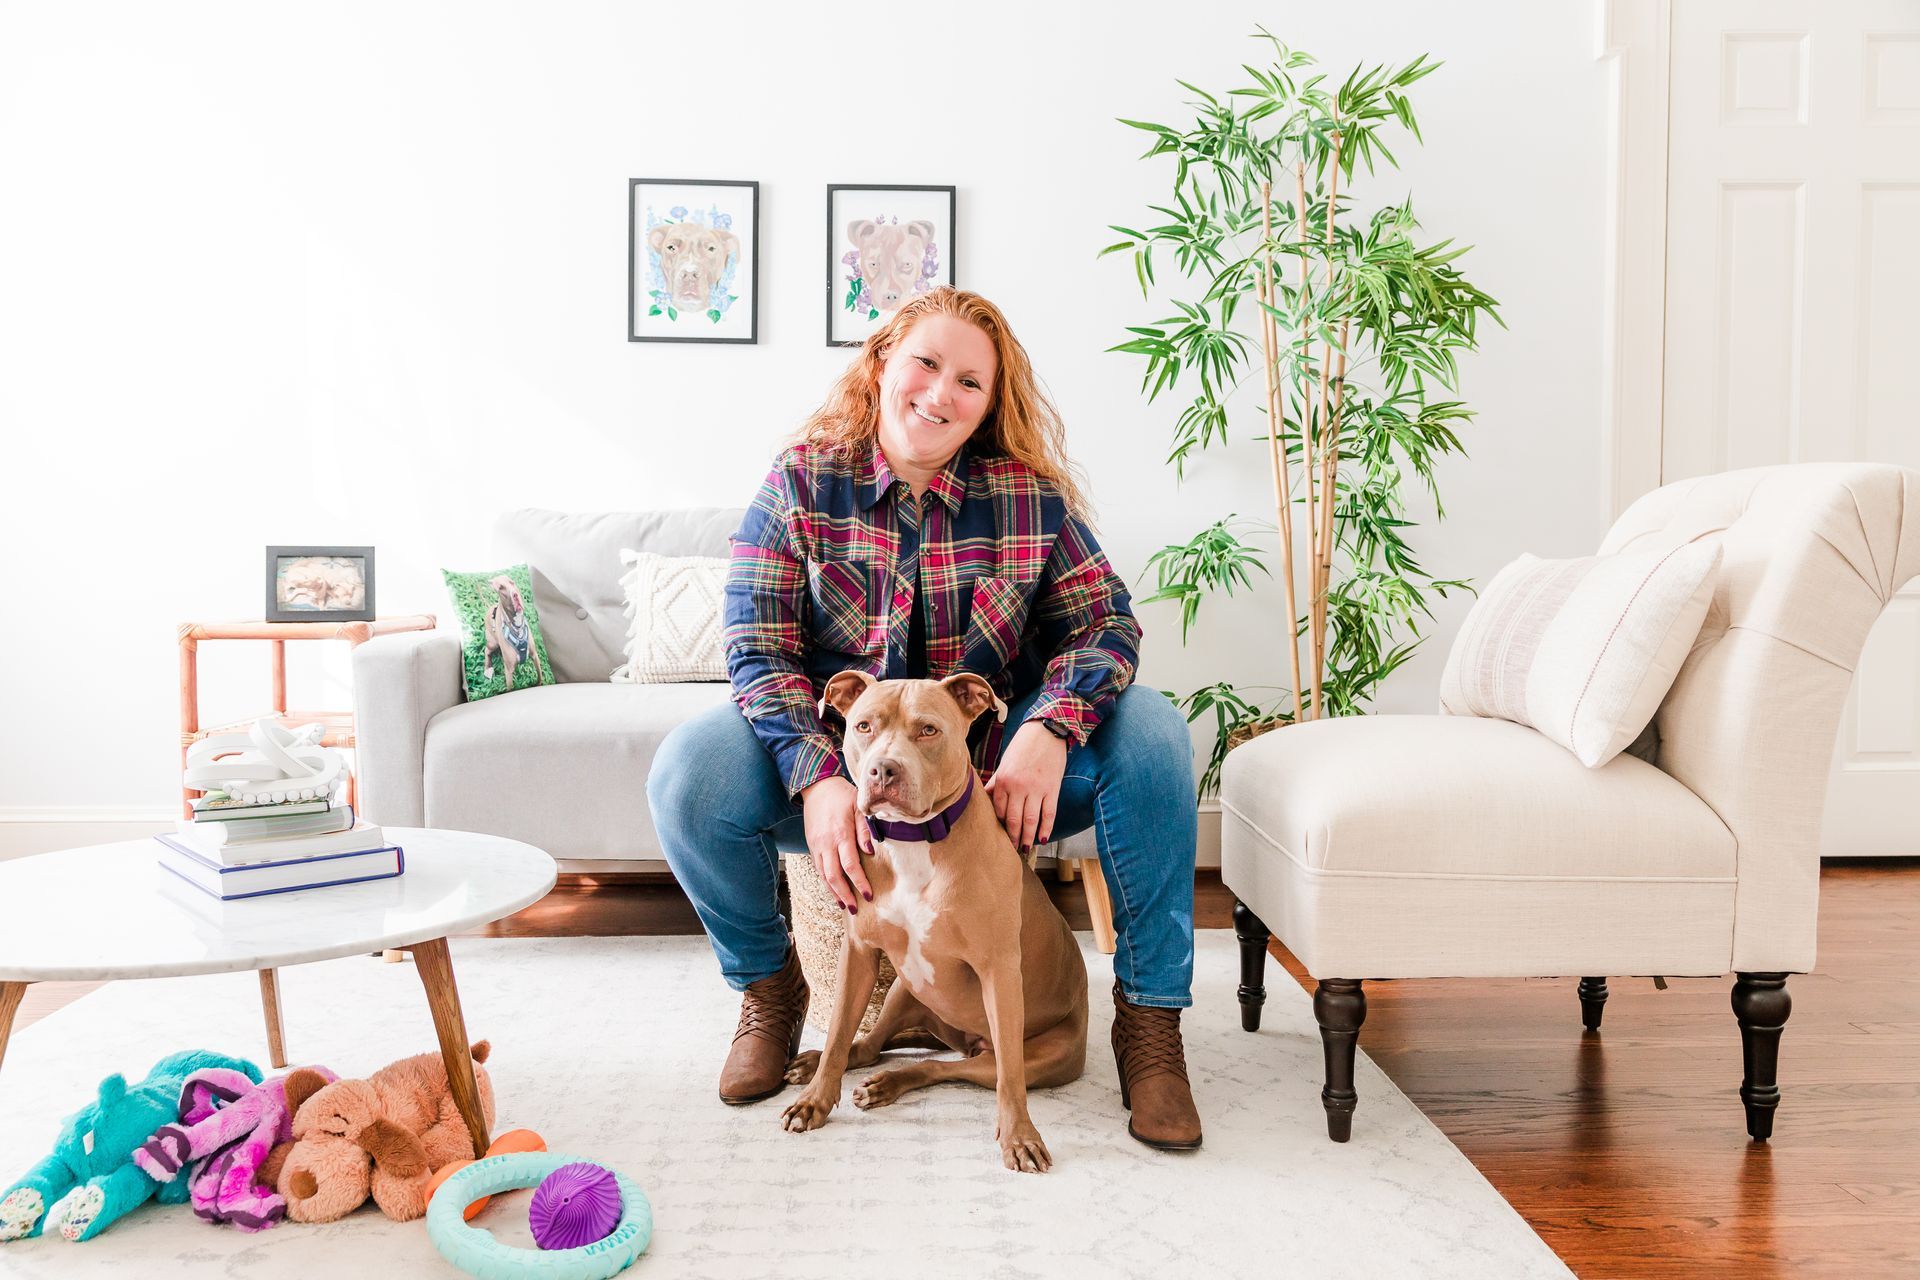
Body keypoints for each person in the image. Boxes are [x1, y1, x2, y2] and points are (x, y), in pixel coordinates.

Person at [647, 286, 1202, 1149]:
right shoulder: (800, 483)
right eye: (927, 364)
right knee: (688, 775)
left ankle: (1150, 1023)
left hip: (988, 772)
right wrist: (817, 774)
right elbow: (756, 651)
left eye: (970, 382)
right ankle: (769, 988)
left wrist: (1049, 727)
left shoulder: (1029, 501)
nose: (942, 393)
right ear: (881, 367)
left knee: (1159, 736)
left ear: (990, 405)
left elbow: (1107, 625)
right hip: (841, 749)